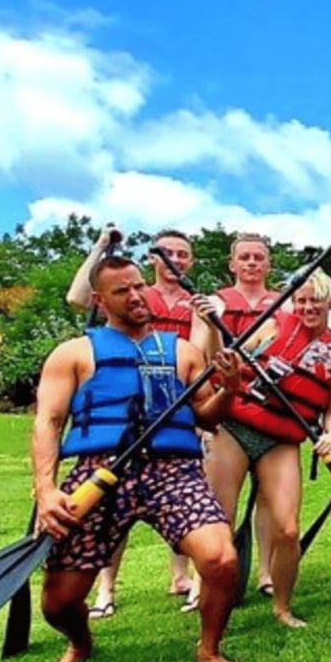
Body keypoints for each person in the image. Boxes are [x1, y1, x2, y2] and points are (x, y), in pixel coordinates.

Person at [33, 255, 248, 662]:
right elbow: (49, 421)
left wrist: (231, 388)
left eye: (138, 286)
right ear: (99, 299)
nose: (135, 296)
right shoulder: (73, 353)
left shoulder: (183, 351)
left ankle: (209, 650)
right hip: (100, 470)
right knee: (58, 602)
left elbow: (207, 417)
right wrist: (46, 488)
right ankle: (80, 643)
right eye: (121, 291)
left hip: (173, 471)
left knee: (222, 560)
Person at [196, 272, 331, 628]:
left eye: (316, 301)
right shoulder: (271, 326)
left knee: (288, 529)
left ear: (330, 303)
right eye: (302, 300)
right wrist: (212, 328)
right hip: (235, 429)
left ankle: (282, 607)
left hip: (281, 440)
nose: (308, 307)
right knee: (219, 523)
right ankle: (212, 605)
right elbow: (222, 363)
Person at [65, 225, 199, 615]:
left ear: (191, 260)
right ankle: (106, 589)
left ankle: (182, 577)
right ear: (152, 259)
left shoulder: (196, 302)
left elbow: (201, 354)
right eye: (166, 252)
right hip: (124, 413)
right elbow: (78, 298)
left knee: (182, 504)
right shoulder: (136, 291)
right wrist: (101, 246)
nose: (175, 259)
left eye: (183, 253)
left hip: (174, 405)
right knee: (112, 508)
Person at [192, 233, 284, 601]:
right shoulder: (212, 303)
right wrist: (215, 328)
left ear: (268, 264)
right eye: (244, 257)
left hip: (269, 407)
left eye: (258, 257)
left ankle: (265, 572)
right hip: (226, 408)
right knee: (220, 501)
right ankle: (207, 581)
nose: (251, 263)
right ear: (232, 264)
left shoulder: (283, 304)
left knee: (268, 498)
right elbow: (202, 356)